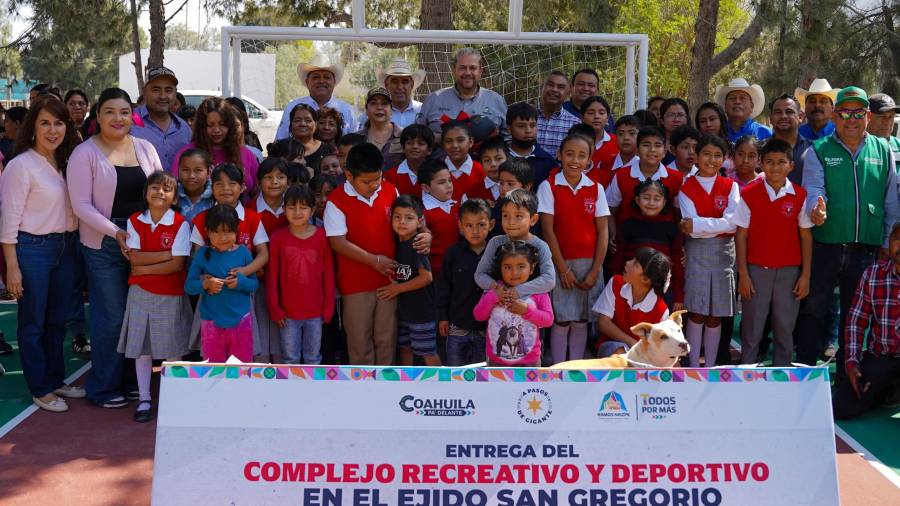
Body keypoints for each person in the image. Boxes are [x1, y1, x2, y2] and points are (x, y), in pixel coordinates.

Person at [68, 87, 164, 408]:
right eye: (109, 111)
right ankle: (104, 386)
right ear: (97, 117)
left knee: (138, 314)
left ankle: (133, 380)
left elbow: (161, 190)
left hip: (143, 241)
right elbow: (81, 205)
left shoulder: (146, 148)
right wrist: (116, 233)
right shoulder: (85, 153)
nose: (117, 118)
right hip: (103, 243)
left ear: (132, 116)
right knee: (111, 316)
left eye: (123, 112)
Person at [798, 86, 900, 377]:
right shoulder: (817, 150)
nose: (851, 119)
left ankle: (847, 376)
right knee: (814, 311)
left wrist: (885, 242)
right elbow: (815, 190)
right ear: (834, 115)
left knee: (854, 318)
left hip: (866, 249)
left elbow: (891, 201)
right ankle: (804, 374)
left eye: (858, 113)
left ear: (867, 116)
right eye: (844, 113)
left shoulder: (884, 150)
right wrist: (817, 210)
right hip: (826, 244)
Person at [0, 97, 82, 412]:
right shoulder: (21, 165)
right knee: (33, 322)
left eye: (58, 123)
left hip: (65, 247)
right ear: (33, 126)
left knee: (57, 320)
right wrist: (12, 267)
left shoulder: (66, 162)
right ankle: (40, 387)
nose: (52, 130)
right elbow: (8, 219)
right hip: (32, 249)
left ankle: (55, 379)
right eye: (45, 123)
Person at [324, 143, 412, 365]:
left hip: (389, 281)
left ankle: (385, 392)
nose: (374, 185)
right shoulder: (336, 200)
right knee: (359, 342)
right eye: (366, 182)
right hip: (355, 285)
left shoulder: (391, 190)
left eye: (378, 179)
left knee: (386, 340)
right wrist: (375, 261)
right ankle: (362, 393)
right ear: (349, 175)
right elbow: (337, 242)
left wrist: (424, 233)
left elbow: (406, 223)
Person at [117, 171, 192, 422]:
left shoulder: (181, 223)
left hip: (170, 293)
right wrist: (166, 253)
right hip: (140, 293)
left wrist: (144, 267)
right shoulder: (135, 220)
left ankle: (177, 399)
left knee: (173, 349)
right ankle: (145, 399)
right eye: (155, 187)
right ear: (146, 192)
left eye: (166, 189)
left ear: (173, 197)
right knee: (142, 350)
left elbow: (177, 265)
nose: (160, 192)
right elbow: (134, 259)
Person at [734, 139, 812, 367]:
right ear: (761, 163)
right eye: (769, 162)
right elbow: (741, 235)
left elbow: (806, 237)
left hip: (789, 272)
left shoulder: (799, 195)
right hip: (756, 271)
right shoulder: (749, 194)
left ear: (791, 165)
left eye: (781, 162)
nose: (775, 167)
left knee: (785, 328)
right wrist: (744, 274)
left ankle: (782, 374)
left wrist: (805, 275)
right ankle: (747, 374)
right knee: (752, 328)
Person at [538, 133, 610, 363]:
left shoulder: (596, 189)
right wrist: (562, 269)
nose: (574, 160)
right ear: (559, 155)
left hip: (590, 264)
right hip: (561, 263)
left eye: (581, 156)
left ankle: (576, 367)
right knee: (562, 318)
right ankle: (559, 367)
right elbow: (548, 231)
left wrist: (595, 271)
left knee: (581, 319)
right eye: (569, 154)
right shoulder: (549, 187)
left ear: (589, 160)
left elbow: (603, 232)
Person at [190, 164, 270, 359]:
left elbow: (263, 254)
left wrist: (244, 271)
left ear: (242, 187)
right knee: (213, 353)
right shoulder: (201, 219)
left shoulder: (252, 218)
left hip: (242, 293)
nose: (226, 188)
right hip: (211, 295)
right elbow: (197, 256)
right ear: (212, 187)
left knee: (243, 348)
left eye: (232, 183)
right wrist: (205, 282)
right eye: (219, 184)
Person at [678, 135, 739, 368]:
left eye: (717, 155)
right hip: (697, 254)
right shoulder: (686, 187)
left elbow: (733, 223)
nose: (711, 160)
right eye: (706, 154)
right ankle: (694, 364)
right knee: (696, 311)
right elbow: (690, 230)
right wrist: (715, 225)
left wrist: (699, 225)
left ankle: (710, 365)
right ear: (697, 156)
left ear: (724, 158)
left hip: (724, 255)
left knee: (716, 313)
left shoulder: (730, 186)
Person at [832, 221, 900, 420]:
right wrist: (852, 363)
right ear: (889, 242)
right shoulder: (872, 275)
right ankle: (889, 389)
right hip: (882, 356)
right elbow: (856, 321)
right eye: (897, 239)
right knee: (844, 406)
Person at [267, 184, 334, 365]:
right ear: (284, 209)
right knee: (290, 359)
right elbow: (272, 277)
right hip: (287, 314)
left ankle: (312, 393)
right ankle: (290, 393)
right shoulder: (277, 238)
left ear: (312, 210)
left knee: (313, 358)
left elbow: (328, 275)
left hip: (315, 312)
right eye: (291, 207)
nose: (297, 212)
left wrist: (328, 308)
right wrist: (275, 308)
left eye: (303, 207)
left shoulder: (322, 237)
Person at [185, 205, 258, 362]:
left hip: (241, 322)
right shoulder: (202, 254)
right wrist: (205, 285)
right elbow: (189, 286)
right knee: (214, 370)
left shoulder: (244, 252)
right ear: (207, 231)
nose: (221, 237)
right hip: (211, 323)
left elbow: (254, 285)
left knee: (241, 370)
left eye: (227, 231)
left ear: (236, 229)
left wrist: (240, 282)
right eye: (215, 232)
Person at [378, 195, 441, 366]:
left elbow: (426, 278)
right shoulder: (395, 243)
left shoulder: (417, 244)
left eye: (409, 217)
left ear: (420, 222)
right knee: (405, 349)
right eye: (397, 217)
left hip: (421, 312)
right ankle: (407, 387)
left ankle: (443, 387)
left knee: (427, 352)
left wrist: (396, 289)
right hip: (404, 311)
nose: (402, 222)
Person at [473, 240, 554, 367]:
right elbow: (478, 315)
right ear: (500, 267)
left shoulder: (538, 292)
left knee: (529, 388)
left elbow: (548, 320)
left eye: (521, 266)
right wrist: (493, 297)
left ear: (532, 268)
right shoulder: (494, 290)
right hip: (496, 362)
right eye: (507, 267)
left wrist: (526, 311)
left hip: (530, 362)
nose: (514, 272)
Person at [611, 179, 685, 311]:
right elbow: (618, 259)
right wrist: (616, 287)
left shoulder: (671, 229)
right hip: (630, 287)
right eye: (646, 198)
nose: (651, 203)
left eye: (657, 199)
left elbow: (677, 264)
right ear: (637, 200)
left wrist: (678, 296)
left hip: (663, 289)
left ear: (664, 202)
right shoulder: (628, 225)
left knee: (659, 327)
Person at [437, 199, 493, 366]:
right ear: (460, 226)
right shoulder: (453, 253)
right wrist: (442, 317)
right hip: (457, 325)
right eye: (469, 225)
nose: (475, 231)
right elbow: (444, 287)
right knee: (455, 372)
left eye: (481, 225)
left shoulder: (496, 254)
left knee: (484, 373)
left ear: (491, 225)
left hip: (488, 327)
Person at [475, 189, 556, 303]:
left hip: (532, 311)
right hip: (499, 309)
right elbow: (480, 274)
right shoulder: (495, 243)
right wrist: (497, 289)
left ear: (533, 219)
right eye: (506, 215)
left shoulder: (541, 246)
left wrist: (517, 291)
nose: (511, 222)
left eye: (518, 216)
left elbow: (549, 280)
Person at [606, 126, 684, 243]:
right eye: (646, 145)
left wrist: (679, 243)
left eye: (657, 145)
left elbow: (679, 214)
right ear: (637, 150)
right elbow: (611, 209)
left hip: (663, 241)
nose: (652, 150)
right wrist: (613, 235)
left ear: (664, 152)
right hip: (627, 241)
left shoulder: (676, 178)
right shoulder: (622, 175)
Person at [246, 158, 290, 362]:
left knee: (285, 333)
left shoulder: (295, 208)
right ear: (258, 182)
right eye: (268, 177)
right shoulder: (249, 209)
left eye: (280, 177)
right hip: (258, 280)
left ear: (288, 182)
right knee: (261, 330)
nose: (274, 182)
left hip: (288, 281)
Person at [171, 97, 261, 195]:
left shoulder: (245, 153)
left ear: (230, 126)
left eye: (222, 124)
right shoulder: (187, 153)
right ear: (202, 127)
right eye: (210, 125)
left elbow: (258, 189)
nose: (217, 130)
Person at [592, 248, 672, 357]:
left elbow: (663, 347)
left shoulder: (661, 310)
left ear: (645, 279)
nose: (627, 263)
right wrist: (632, 343)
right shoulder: (616, 283)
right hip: (611, 349)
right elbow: (603, 323)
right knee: (620, 352)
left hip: (643, 358)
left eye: (635, 264)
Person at [418, 47, 507, 137]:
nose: (468, 72)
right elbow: (419, 135)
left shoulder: (496, 100)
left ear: (480, 71)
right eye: (462, 68)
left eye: (473, 68)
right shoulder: (434, 99)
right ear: (454, 71)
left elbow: (508, 138)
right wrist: (440, 139)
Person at [277, 54, 357, 139]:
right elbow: (280, 140)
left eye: (326, 77)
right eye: (316, 77)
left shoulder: (347, 110)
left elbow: (355, 146)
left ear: (334, 81)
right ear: (307, 82)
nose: (321, 81)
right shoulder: (292, 107)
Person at [131, 66, 193, 171]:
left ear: (175, 93)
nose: (163, 96)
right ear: (144, 92)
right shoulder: (130, 121)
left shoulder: (184, 129)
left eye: (168, 90)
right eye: (156, 90)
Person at [419, 159, 459, 278]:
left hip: (457, 270)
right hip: (435, 273)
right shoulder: (423, 212)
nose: (448, 185)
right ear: (426, 188)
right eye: (441, 182)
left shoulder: (457, 206)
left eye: (450, 180)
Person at [272, 104, 336, 174]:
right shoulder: (281, 148)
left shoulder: (327, 150)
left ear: (316, 124)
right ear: (291, 124)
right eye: (297, 120)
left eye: (308, 120)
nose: (302, 124)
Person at [507, 102, 557, 190]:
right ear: (509, 129)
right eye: (521, 126)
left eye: (533, 125)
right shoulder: (499, 157)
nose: (528, 130)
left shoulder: (547, 162)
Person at [768, 93, 811, 185]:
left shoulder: (813, 150)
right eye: (778, 112)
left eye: (789, 112)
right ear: (770, 118)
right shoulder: (760, 149)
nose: (783, 116)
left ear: (800, 117)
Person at [358, 87, 404, 170]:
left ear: (391, 109)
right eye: (373, 103)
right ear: (366, 110)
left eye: (384, 103)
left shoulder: (404, 136)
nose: (379, 107)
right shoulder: (356, 139)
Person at [536, 71, 580, 157]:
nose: (554, 89)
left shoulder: (575, 124)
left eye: (561, 87)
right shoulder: (528, 117)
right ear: (542, 87)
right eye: (550, 85)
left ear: (568, 92)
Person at [383, 124, 434, 197]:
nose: (415, 146)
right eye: (409, 143)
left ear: (429, 150)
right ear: (403, 148)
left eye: (420, 143)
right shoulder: (390, 176)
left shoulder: (436, 175)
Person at [714, 78, 772, 143]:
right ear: (725, 106)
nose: (737, 101)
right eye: (732, 98)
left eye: (742, 98)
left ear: (751, 106)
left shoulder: (766, 133)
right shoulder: (717, 132)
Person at [441, 119, 486, 201]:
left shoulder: (481, 170)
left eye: (460, 140)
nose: (454, 145)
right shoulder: (436, 170)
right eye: (448, 141)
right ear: (443, 144)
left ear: (471, 142)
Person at [373, 58, 425, 128]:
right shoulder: (375, 113)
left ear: (411, 85)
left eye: (405, 81)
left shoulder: (423, 110)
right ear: (386, 84)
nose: (400, 87)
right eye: (395, 81)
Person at [592, 115, 641, 188]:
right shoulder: (604, 164)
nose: (626, 138)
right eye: (621, 134)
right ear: (615, 137)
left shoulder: (645, 165)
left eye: (632, 133)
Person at [176, 148, 215, 222]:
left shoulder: (215, 196)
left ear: (209, 172)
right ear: (178, 171)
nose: (191, 176)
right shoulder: (171, 195)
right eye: (186, 170)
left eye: (198, 170)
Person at [582, 96, 619, 171]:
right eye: (591, 113)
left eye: (601, 113)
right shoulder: (573, 142)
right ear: (582, 117)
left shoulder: (617, 142)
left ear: (607, 118)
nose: (596, 116)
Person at [867, 93, 900, 174]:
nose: (887, 122)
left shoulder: (898, 145)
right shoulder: (857, 146)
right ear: (868, 117)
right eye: (882, 116)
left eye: (891, 116)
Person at [467, 136, 506, 203]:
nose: (493, 164)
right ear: (481, 163)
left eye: (498, 158)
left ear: (508, 159)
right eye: (487, 160)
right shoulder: (471, 193)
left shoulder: (516, 187)